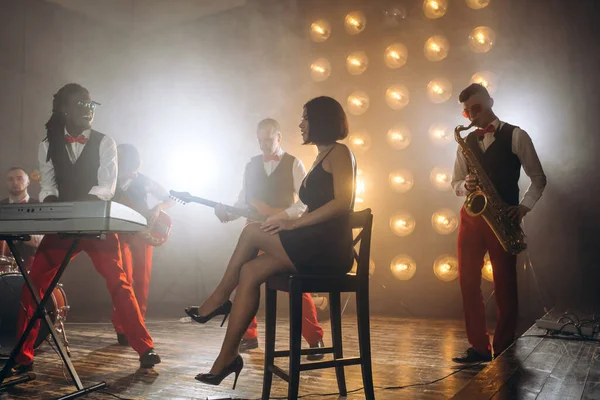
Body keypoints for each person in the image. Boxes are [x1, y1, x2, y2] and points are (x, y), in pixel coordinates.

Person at [193, 96, 356, 389]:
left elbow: (343, 203)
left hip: (329, 250)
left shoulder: (340, 153)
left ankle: (218, 300)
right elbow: (250, 200)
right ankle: (227, 357)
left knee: (253, 232)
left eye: (305, 118)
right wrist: (233, 213)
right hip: (311, 243)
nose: (300, 124)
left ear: (320, 120)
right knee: (250, 271)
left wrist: (290, 221)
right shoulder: (321, 155)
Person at [11, 83, 161, 375]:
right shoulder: (47, 144)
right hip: (63, 227)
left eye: (92, 105)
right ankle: (23, 355)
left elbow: (107, 186)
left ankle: (145, 348)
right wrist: (55, 204)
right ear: (65, 109)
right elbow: (49, 185)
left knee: (120, 283)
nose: (89, 111)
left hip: (96, 225)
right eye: (82, 105)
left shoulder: (106, 142)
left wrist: (83, 209)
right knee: (34, 285)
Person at [185, 118, 326, 358]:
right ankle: (248, 337)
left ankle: (315, 340)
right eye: (260, 140)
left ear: (279, 137)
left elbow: (304, 203)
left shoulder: (294, 163)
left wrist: (278, 216)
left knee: (296, 289)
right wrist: (227, 214)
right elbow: (243, 202)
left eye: (269, 139)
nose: (264, 145)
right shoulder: (250, 166)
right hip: (254, 231)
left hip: (283, 232)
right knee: (244, 277)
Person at [450, 84, 546, 363]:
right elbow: (454, 182)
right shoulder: (465, 143)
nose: (471, 116)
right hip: (471, 217)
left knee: (505, 286)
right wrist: (464, 185)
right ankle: (479, 347)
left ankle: (503, 346)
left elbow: (538, 178)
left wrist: (524, 207)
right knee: (467, 283)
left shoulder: (516, 135)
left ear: (490, 101)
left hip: (502, 217)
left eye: (476, 108)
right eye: (467, 111)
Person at [111, 143, 174, 346]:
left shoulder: (145, 180)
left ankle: (139, 323)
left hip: (142, 232)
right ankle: (121, 324)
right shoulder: (108, 178)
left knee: (143, 278)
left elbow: (169, 198)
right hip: (118, 232)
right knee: (124, 278)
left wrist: (158, 207)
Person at [0, 168, 43, 269]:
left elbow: (41, 240)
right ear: (6, 183)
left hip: (33, 266)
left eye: (19, 178)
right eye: (10, 179)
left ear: (28, 182)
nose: (15, 182)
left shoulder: (40, 207)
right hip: (3, 267)